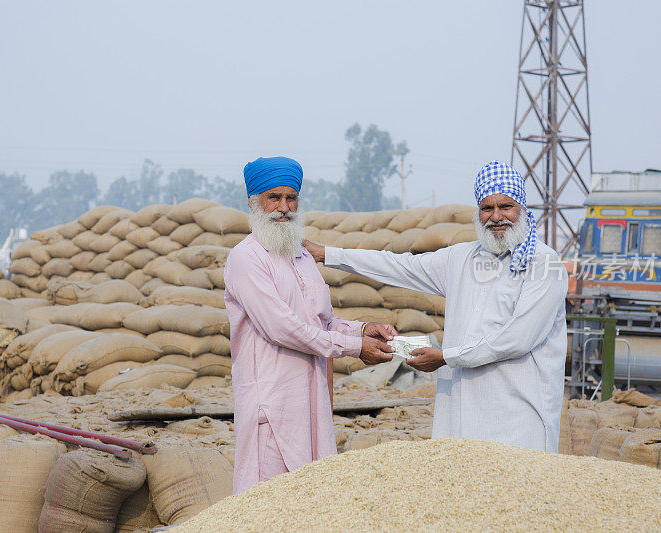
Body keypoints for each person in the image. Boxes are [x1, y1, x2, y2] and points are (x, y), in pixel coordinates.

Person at [304, 161, 568, 452]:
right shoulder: (462, 258)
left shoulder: (545, 265)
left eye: (505, 207)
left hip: (519, 422)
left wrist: (445, 357)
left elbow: (517, 339)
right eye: (486, 208)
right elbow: (398, 265)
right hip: (463, 418)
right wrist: (327, 253)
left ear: (522, 208)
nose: (496, 217)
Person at [225, 156, 397, 494]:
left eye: (291, 199)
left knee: (310, 495)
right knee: (268, 500)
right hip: (272, 402)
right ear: (254, 202)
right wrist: (353, 348)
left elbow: (323, 321)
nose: (284, 207)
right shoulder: (246, 258)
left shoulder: (301, 255)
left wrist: (361, 330)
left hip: (313, 398)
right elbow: (282, 328)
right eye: (274, 198)